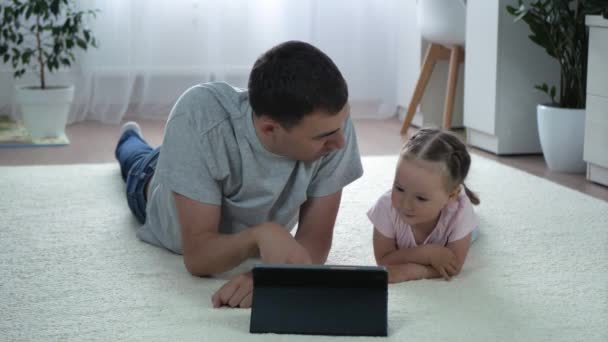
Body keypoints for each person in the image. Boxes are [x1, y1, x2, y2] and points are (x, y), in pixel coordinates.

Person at [114, 41, 363, 308]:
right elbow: (198, 257)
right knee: (134, 156)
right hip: (152, 181)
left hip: (201, 153)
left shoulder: (331, 125)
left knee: (193, 150)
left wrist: (271, 278)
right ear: (270, 128)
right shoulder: (197, 116)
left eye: (341, 125)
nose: (341, 143)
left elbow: (314, 243)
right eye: (324, 136)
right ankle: (129, 136)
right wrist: (260, 234)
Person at [367, 128, 480, 283]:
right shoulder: (385, 207)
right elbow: (383, 260)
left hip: (464, 225)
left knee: (475, 230)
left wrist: (415, 271)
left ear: (451, 196)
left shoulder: (460, 213)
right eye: (399, 188)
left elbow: (453, 266)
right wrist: (427, 254)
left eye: (420, 198)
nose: (405, 204)